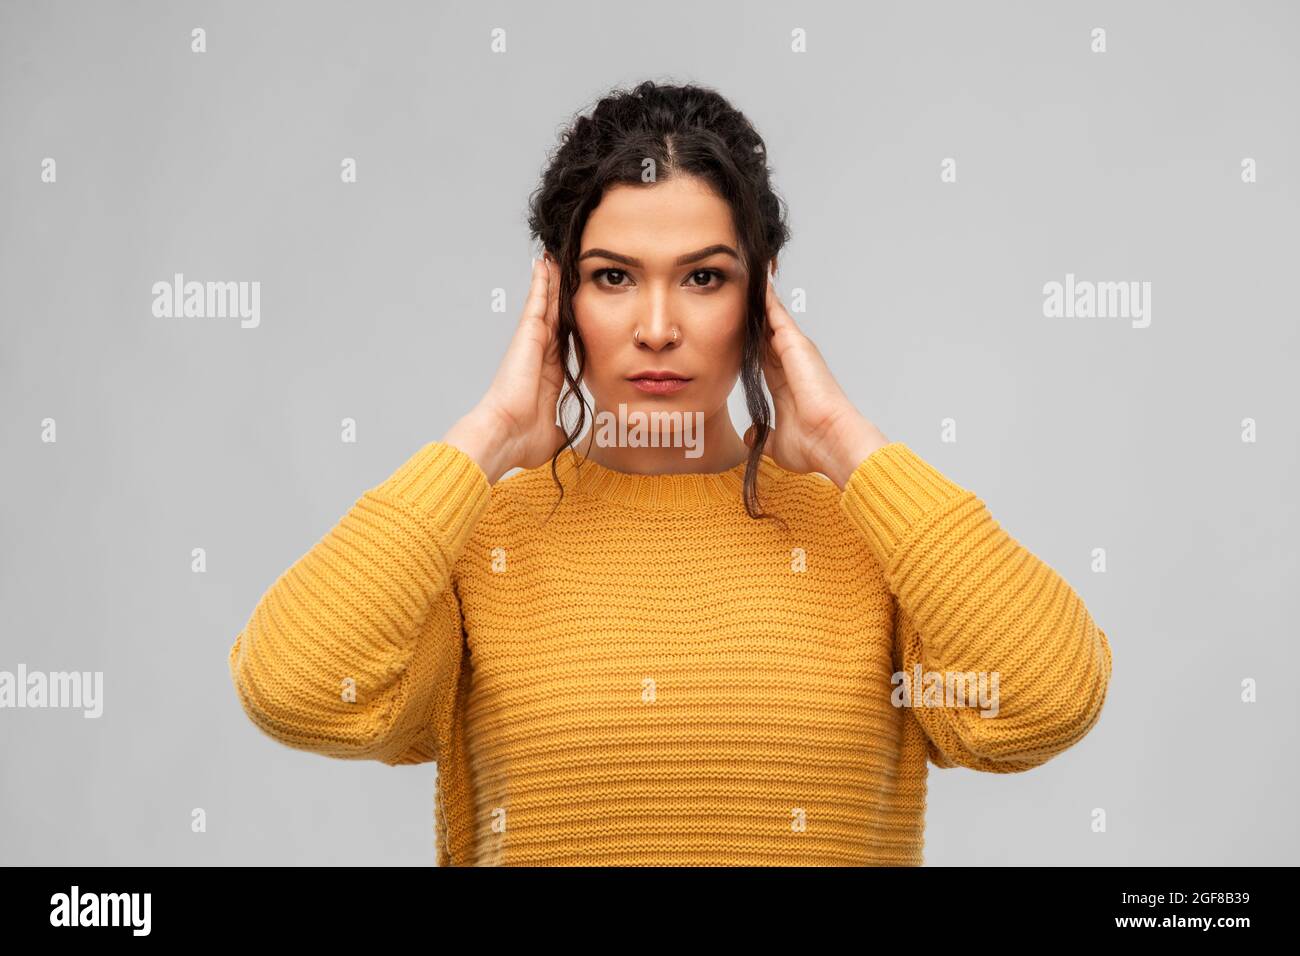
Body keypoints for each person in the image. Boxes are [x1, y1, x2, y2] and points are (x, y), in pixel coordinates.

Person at [228, 80, 1112, 866]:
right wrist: (488, 435)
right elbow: (290, 686)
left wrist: (848, 442)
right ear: (560, 304)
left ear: (760, 297)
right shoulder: (479, 543)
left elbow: (1048, 699)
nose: (657, 326)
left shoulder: (868, 537)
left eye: (703, 278)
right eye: (613, 277)